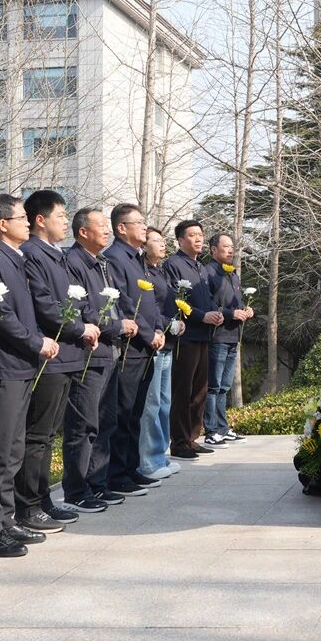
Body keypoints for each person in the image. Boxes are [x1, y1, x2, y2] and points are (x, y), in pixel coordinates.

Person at [0, 194, 59, 559]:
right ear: (3, 224)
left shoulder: (15, 257)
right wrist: (36, 342)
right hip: (3, 367)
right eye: (21, 218)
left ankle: (5, 520)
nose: (27, 223)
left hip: (21, 366)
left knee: (13, 450)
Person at [15, 190, 89, 533]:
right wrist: (79, 328)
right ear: (40, 220)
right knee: (37, 435)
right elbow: (44, 305)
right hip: (49, 355)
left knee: (47, 437)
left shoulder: (56, 255)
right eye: (60, 215)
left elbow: (74, 300)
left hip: (67, 354)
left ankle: (43, 500)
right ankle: (28, 506)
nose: (65, 221)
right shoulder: (32, 254)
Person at [64, 207, 134, 503]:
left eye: (107, 225)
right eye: (101, 225)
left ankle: (98, 483)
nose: (107, 230)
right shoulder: (73, 262)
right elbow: (81, 309)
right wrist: (117, 326)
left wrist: (124, 323)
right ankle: (77, 490)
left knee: (106, 421)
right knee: (84, 425)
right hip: (89, 354)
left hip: (110, 351)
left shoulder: (102, 262)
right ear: (83, 232)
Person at [102, 204, 164, 488]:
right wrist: (148, 334)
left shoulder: (138, 258)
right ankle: (117, 474)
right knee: (123, 412)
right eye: (138, 222)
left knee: (136, 411)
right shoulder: (115, 257)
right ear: (121, 227)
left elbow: (151, 302)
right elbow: (124, 303)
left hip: (147, 345)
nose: (144, 227)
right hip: (131, 345)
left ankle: (131, 467)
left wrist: (159, 329)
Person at [165, 219, 223, 460]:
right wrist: (202, 316)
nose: (198, 238)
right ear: (180, 240)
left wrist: (216, 313)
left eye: (200, 234)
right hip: (185, 336)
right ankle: (179, 442)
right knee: (183, 389)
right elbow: (175, 300)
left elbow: (207, 297)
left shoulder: (200, 267)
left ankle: (191, 438)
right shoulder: (173, 264)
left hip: (204, 335)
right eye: (192, 235)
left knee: (200, 390)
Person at [135, 226, 179, 481]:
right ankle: (149, 461)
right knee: (151, 404)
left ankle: (161, 455)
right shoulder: (143, 272)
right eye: (156, 240)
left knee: (164, 403)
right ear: (144, 245)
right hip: (153, 341)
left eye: (163, 240)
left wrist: (175, 323)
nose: (163, 244)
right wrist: (164, 325)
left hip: (166, 341)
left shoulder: (160, 270)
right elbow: (146, 308)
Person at [201, 233, 253, 446]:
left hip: (233, 336)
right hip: (217, 336)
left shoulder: (233, 274)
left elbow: (235, 303)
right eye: (226, 246)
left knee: (224, 386)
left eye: (232, 247)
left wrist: (245, 310)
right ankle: (211, 430)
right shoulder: (208, 272)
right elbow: (207, 305)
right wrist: (232, 314)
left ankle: (222, 428)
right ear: (213, 249)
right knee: (213, 386)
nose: (231, 250)